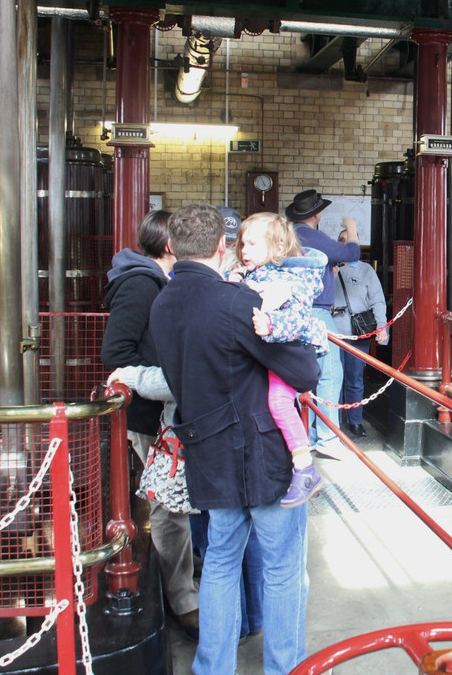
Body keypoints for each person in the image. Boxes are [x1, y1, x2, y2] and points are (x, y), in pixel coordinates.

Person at [149, 204, 321, 675]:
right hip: (262, 455)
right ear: (222, 246)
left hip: (206, 452)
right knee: (283, 569)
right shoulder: (234, 302)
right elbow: (304, 372)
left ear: (172, 248)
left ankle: (213, 667)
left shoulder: (162, 304)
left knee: (220, 563)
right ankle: (284, 668)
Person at [100, 210, 199, 639]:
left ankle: (184, 578)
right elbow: (116, 352)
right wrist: (161, 380)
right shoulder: (141, 284)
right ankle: (183, 599)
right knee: (168, 506)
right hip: (148, 414)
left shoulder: (155, 281)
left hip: (160, 411)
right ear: (171, 245)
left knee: (172, 502)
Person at [229, 212, 329, 506]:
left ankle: (305, 468)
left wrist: (271, 326)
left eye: (252, 244)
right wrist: (231, 279)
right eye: (242, 244)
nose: (244, 251)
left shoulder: (290, 278)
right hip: (277, 352)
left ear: (278, 249)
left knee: (279, 402)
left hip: (289, 351)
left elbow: (297, 318)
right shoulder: (259, 272)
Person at [285, 189, 361, 456]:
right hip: (317, 313)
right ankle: (328, 439)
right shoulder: (310, 235)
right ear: (317, 213)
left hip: (289, 313)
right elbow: (352, 253)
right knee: (329, 374)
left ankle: (303, 435)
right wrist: (351, 227)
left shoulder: (287, 235)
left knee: (296, 377)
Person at [332, 228, 388, 438]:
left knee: (355, 379)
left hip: (358, 333)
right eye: (342, 240)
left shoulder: (365, 270)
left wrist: (382, 327)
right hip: (333, 334)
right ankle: (333, 422)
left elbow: (377, 300)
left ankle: (355, 421)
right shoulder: (329, 268)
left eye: (350, 241)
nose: (346, 244)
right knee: (333, 379)